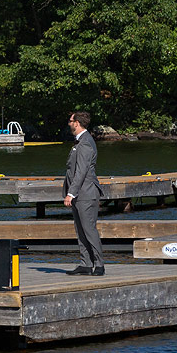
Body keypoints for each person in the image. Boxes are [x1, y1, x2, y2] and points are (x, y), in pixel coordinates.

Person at [64, 110, 105, 276]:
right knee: (80, 229)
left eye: (70, 120)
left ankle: (99, 265)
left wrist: (71, 193)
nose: (69, 123)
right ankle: (86, 263)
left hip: (86, 194)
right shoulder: (79, 142)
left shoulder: (86, 143)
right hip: (79, 194)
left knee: (89, 229)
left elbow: (81, 172)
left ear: (77, 123)